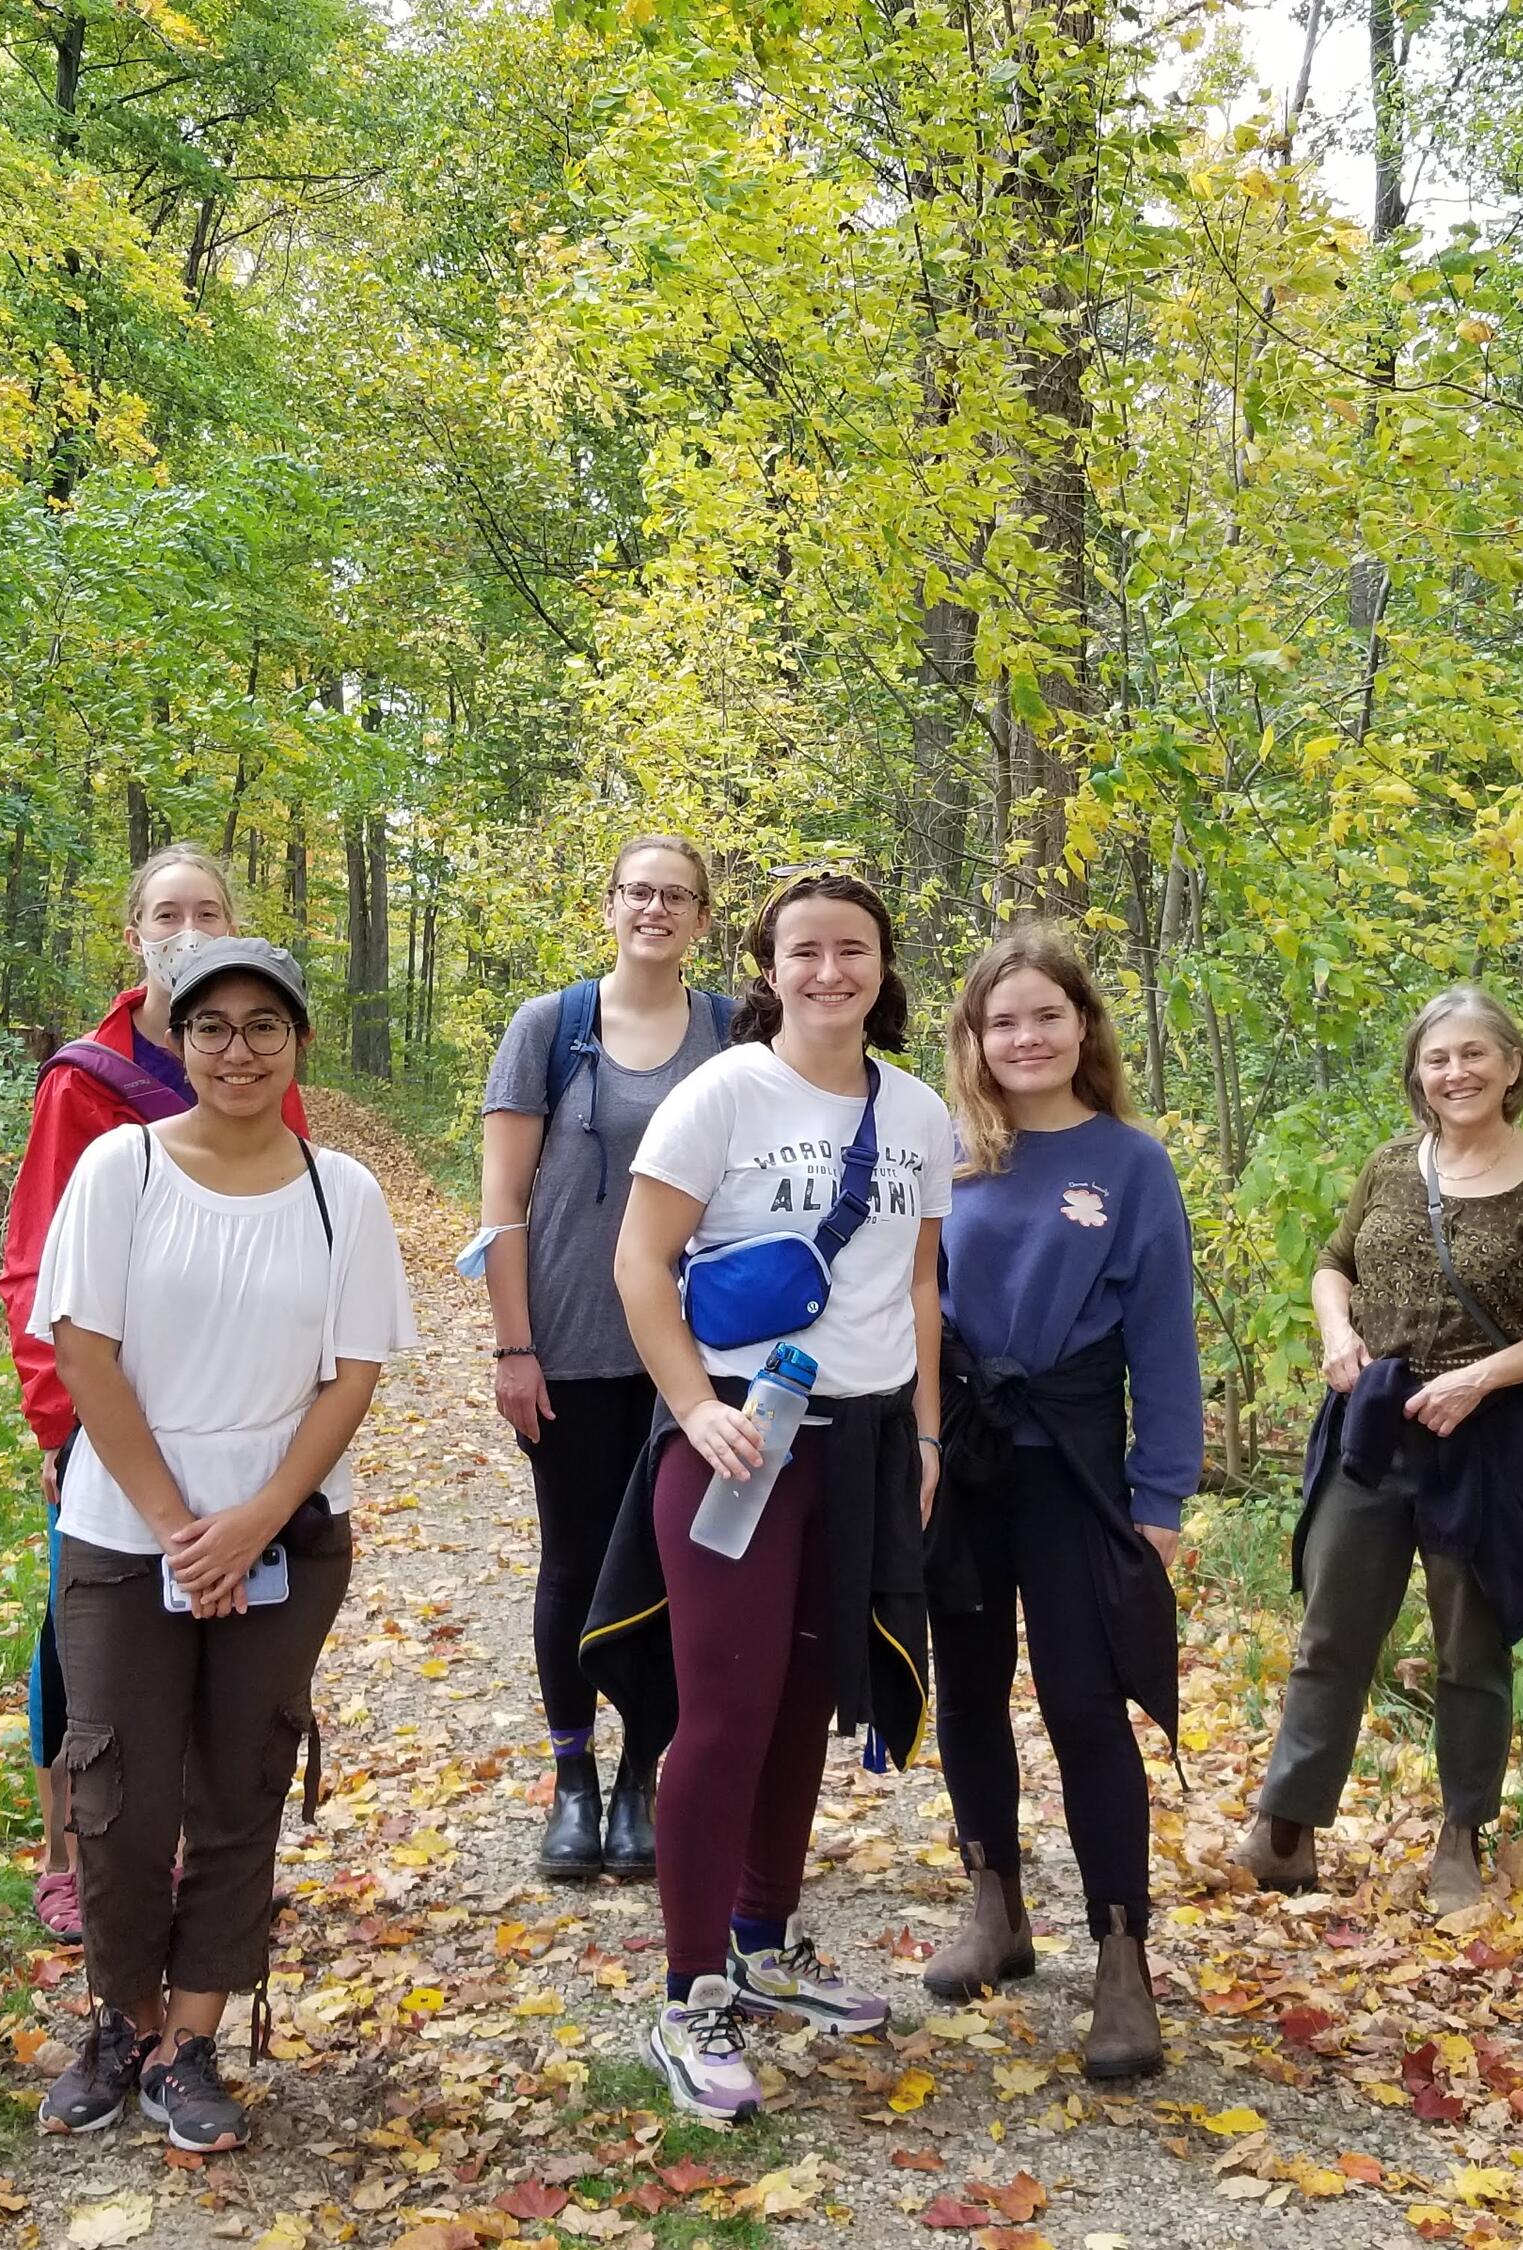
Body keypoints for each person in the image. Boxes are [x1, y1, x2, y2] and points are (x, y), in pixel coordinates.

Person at [27, 936, 414, 2152]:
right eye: (211, 1028)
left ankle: (193, 2042)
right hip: (120, 1529)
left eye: (262, 1027)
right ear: (177, 1040)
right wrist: (173, 1527)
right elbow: (83, 1352)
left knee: (241, 1782)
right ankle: (121, 2023)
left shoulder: (336, 1189)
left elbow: (354, 1372)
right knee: (119, 1793)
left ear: (297, 1042)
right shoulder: (119, 1168)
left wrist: (249, 1523)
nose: (236, 1050)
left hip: (284, 1530)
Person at [582, 868, 952, 2125]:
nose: (831, 972)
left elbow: (915, 1288)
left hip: (862, 1445)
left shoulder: (917, 1112)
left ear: (883, 966)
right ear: (770, 967)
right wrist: (692, 1406)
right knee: (727, 1712)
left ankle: (763, 1940)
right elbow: (641, 1260)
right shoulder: (723, 1093)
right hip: (742, 1440)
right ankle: (688, 1997)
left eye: (854, 949)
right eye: (806, 951)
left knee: (809, 1698)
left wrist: (928, 1434)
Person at [0, 845, 311, 1941]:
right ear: (133, 934)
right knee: (86, 1636)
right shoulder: (90, 1079)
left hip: (235, 1411)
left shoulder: (258, 1062)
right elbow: (37, 1265)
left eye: (208, 911)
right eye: (166, 914)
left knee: (223, 1631)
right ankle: (71, 1853)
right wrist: (58, 1419)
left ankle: (190, 1851)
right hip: (108, 1414)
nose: (186, 930)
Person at [1237, 987, 1523, 1912]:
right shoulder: (1392, 1166)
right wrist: (1334, 1335)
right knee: (1333, 1629)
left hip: (1488, 1442)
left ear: (1513, 1066)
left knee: (1468, 1649)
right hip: (1374, 1423)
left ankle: (1460, 1839)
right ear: (1418, 1076)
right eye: (1439, 1060)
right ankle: (1286, 1826)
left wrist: (1481, 1378)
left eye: (1476, 1055)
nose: (1457, 1073)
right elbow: (1335, 1263)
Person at [923, 928, 1200, 2082]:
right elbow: (908, 1308)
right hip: (964, 1454)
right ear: (975, 1042)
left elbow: (1164, 1341)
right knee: (970, 1684)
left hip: (1078, 1458)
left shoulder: (1131, 1164)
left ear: (1083, 1025)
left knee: (1087, 1704)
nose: (1026, 1038)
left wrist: (1163, 1498)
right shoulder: (944, 1157)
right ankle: (995, 1901)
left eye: (1046, 1016)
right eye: (1003, 1022)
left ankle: (1121, 1955)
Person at [477, 837, 732, 1881]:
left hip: (700, 1355)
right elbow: (501, 1202)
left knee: (679, 1570)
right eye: (639, 892)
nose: (655, 910)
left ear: (704, 919)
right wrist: (512, 1345)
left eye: (676, 897)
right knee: (575, 1563)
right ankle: (573, 1781)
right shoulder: (550, 1028)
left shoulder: (731, 1030)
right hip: (575, 1344)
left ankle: (643, 1782)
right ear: (609, 905)